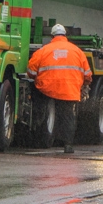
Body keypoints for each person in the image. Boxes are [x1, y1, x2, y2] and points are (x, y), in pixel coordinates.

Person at [27, 24, 92, 154]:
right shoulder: (77, 52)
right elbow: (88, 75)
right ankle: (68, 145)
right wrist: (82, 85)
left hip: (47, 89)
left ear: (52, 36)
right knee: (68, 116)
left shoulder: (43, 51)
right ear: (65, 36)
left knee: (42, 110)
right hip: (69, 90)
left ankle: (40, 138)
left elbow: (31, 72)